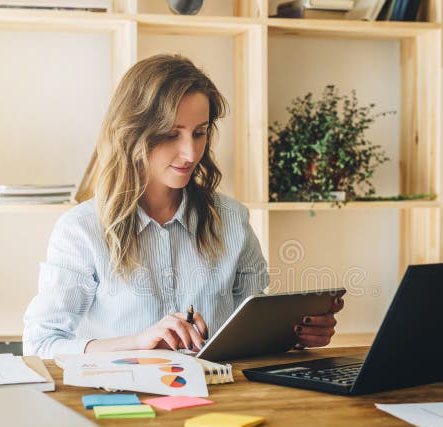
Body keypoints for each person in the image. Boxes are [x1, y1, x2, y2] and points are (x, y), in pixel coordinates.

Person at [23, 54, 343, 358]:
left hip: (221, 400)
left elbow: (250, 334)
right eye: (171, 135)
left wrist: (296, 334)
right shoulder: (81, 230)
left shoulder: (232, 219)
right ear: (132, 133)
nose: (191, 153)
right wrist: (138, 343)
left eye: (199, 133)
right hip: (126, 405)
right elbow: (40, 344)